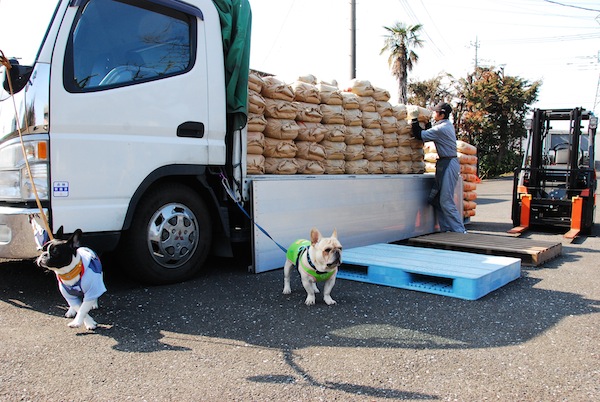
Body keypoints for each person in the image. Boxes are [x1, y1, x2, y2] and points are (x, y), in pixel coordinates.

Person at [409, 102, 466, 233]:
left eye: (436, 112)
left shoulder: (443, 128)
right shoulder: (443, 126)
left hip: (449, 164)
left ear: (442, 114)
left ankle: (460, 231)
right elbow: (429, 133)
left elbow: (420, 135)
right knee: (438, 200)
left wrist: (413, 119)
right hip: (444, 163)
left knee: (446, 200)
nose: (434, 113)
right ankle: (446, 229)